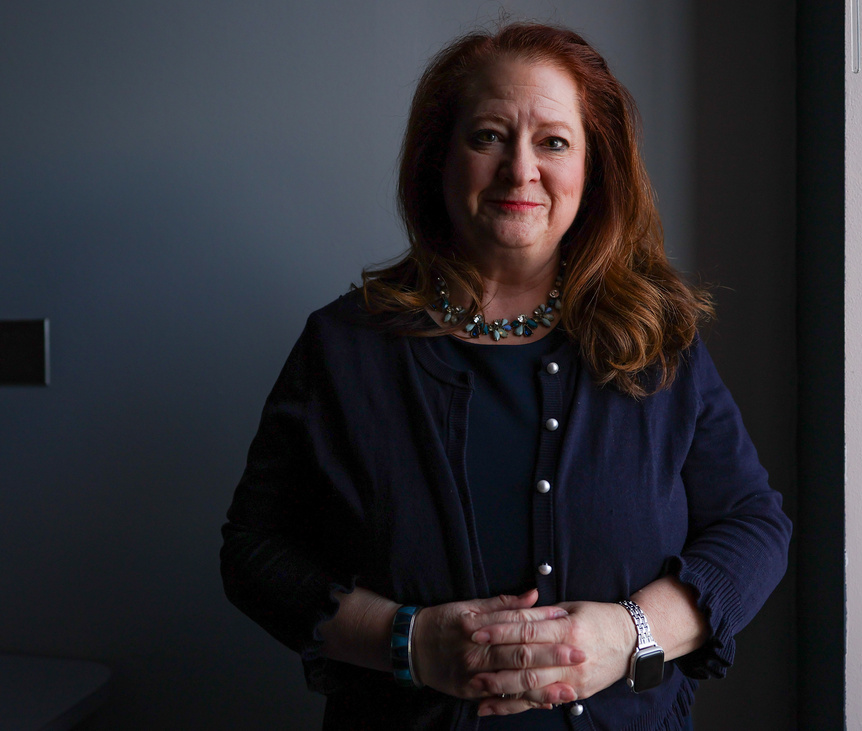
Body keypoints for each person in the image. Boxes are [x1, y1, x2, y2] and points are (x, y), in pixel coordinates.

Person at [221, 21, 791, 731]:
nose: (520, 170)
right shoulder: (343, 348)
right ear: (439, 158)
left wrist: (630, 634)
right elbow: (254, 550)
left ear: (593, 169)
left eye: (553, 142)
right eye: (488, 136)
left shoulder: (656, 340)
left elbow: (755, 527)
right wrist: (410, 642)